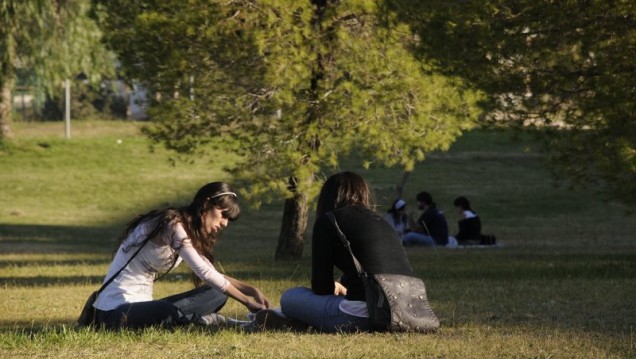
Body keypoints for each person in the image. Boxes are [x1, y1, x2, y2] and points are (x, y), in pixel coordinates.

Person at [92, 182, 270, 329]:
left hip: (142, 308)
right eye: (223, 215)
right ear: (207, 205)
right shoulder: (171, 224)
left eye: (228, 220)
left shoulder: (188, 230)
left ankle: (193, 321)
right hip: (114, 312)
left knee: (217, 293)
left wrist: (251, 290)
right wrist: (247, 302)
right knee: (163, 310)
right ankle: (219, 323)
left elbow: (213, 275)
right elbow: (204, 273)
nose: (224, 223)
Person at [258, 171, 417, 333]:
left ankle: (297, 322)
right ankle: (302, 323)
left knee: (290, 297)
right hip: (404, 311)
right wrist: (344, 286)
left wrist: (335, 286)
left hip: (360, 316)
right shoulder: (382, 222)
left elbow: (321, 287)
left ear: (327, 197)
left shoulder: (329, 220)